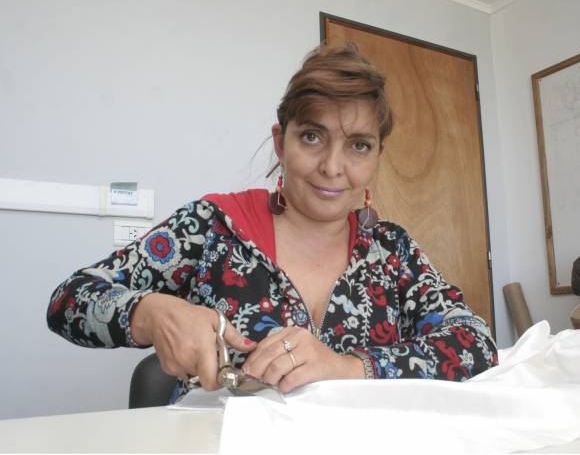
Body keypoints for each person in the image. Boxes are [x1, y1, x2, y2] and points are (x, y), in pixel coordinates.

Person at [47, 43, 498, 402]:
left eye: (359, 145)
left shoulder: (391, 249)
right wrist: (150, 313)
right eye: (312, 137)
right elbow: (68, 300)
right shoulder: (213, 227)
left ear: (378, 154)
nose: (332, 167)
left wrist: (347, 367)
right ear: (281, 143)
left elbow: (475, 343)